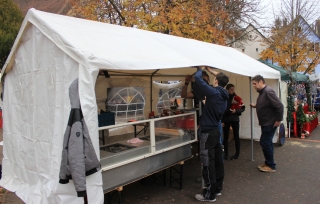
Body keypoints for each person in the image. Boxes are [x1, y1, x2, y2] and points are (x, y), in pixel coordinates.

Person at [194, 66, 229, 202]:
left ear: (215, 81)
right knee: (218, 161)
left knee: (208, 162)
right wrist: (210, 70)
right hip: (215, 131)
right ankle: (217, 188)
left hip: (208, 132)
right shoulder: (224, 95)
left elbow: (197, 78)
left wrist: (199, 68)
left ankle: (209, 194)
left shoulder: (213, 93)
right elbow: (222, 77)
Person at [250, 75, 283, 173]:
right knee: (267, 142)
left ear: (261, 82)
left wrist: (278, 120)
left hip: (270, 122)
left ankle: (271, 165)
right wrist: (256, 106)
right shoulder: (262, 92)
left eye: (255, 84)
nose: (254, 86)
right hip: (266, 122)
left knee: (264, 142)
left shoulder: (268, 91)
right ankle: (268, 162)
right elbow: (266, 104)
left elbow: (279, 106)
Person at [222, 84, 245, 160]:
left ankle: (237, 154)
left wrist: (236, 111)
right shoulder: (224, 97)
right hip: (226, 119)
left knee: (236, 136)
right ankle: (226, 154)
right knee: (225, 137)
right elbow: (222, 109)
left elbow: (242, 108)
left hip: (235, 118)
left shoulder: (236, 97)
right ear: (227, 90)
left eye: (233, 89)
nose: (233, 91)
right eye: (231, 89)